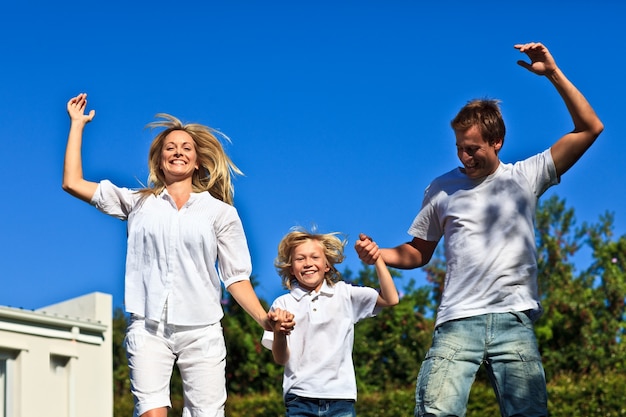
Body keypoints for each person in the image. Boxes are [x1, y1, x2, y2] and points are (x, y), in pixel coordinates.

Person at [355, 42, 603, 416]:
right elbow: (417, 252)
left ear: (496, 142)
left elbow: (590, 128)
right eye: (459, 148)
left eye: (473, 148)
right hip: (457, 322)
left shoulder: (525, 176)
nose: (464, 157)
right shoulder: (441, 188)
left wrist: (552, 73)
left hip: (513, 320)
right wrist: (380, 254)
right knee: (436, 411)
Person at [62, 93, 294, 417]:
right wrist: (76, 125)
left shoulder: (220, 213)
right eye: (170, 147)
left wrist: (264, 319)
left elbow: (236, 277)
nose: (178, 152)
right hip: (147, 325)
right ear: (160, 160)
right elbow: (72, 183)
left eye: (186, 148)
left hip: (202, 329)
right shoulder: (137, 202)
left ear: (197, 161)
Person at [262, 229, 399, 417]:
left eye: (315, 257)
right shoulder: (282, 305)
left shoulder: (345, 294)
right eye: (300, 259)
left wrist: (377, 260)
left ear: (327, 265)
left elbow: (390, 299)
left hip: (341, 398)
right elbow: (281, 359)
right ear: (291, 268)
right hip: (299, 398)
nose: (308, 263)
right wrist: (279, 332)